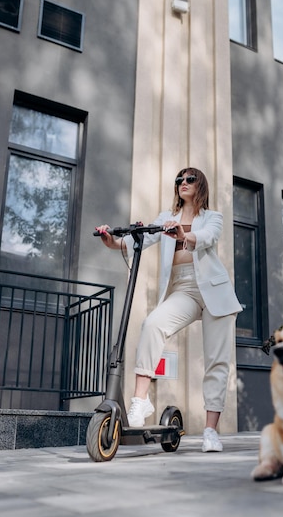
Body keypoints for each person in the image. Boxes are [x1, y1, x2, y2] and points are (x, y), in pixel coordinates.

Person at [95, 167, 242, 452]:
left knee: (216, 361)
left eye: (189, 179)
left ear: (200, 185)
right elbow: (139, 240)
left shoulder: (212, 217)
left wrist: (184, 237)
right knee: (152, 324)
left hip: (215, 291)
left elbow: (209, 237)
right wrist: (112, 240)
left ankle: (210, 430)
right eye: (179, 180)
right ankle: (141, 400)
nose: (183, 183)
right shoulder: (166, 218)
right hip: (184, 289)